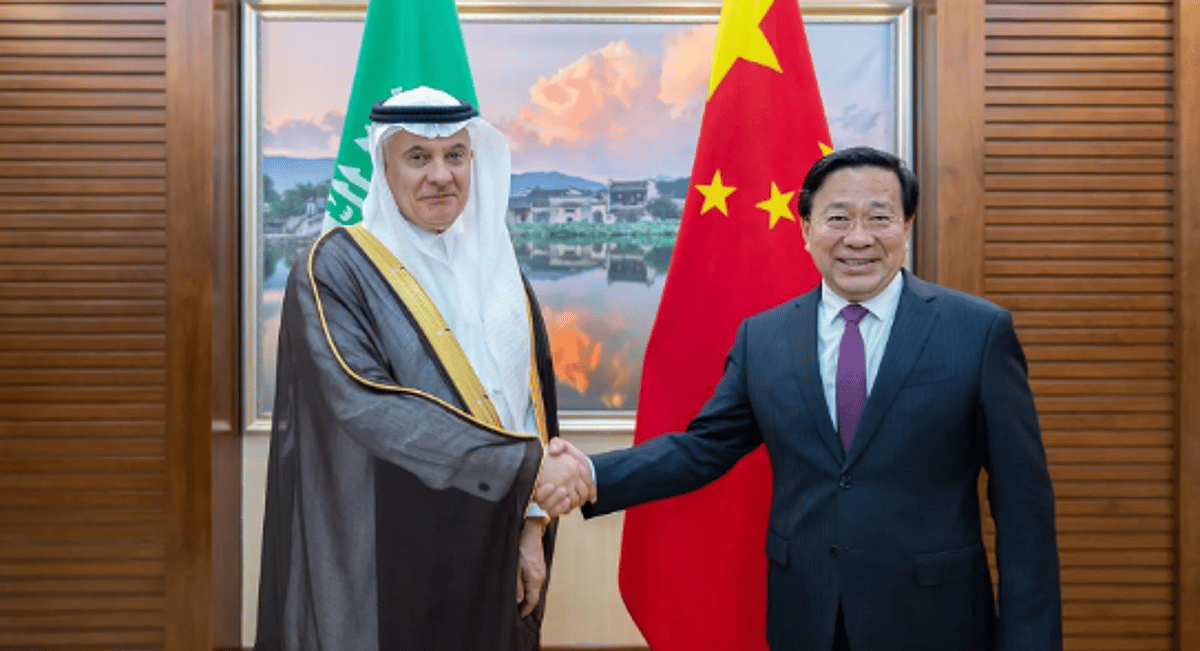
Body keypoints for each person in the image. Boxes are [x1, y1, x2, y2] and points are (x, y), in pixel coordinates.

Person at [551, 147, 1062, 650]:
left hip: (936, 619)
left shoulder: (977, 332)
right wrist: (591, 474)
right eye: (838, 218)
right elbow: (702, 448)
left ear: (906, 227)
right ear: (806, 230)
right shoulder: (764, 338)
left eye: (879, 218)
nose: (857, 238)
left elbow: (1024, 508)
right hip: (807, 616)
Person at [254, 87, 595, 651]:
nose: (441, 175)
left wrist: (532, 523)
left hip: (498, 529)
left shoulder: (501, 269)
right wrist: (527, 469)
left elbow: (526, 407)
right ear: (384, 166)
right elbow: (367, 404)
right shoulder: (336, 267)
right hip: (393, 542)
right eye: (418, 157)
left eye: (455, 155)